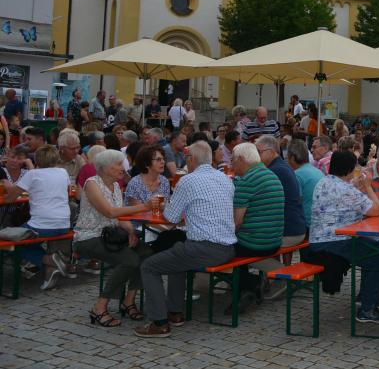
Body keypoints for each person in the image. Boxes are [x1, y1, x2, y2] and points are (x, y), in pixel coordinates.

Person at [135, 142, 235, 337]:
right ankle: (175, 312)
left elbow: (171, 218)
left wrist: (165, 207)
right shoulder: (225, 179)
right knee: (177, 254)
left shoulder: (188, 181)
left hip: (205, 249)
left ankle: (159, 322)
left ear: (191, 160)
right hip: (228, 247)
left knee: (149, 266)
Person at [303, 150, 379, 323]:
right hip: (334, 241)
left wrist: (356, 186)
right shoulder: (344, 189)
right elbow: (376, 210)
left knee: (373, 249)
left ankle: (365, 297)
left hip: (319, 239)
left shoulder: (324, 181)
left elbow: (345, 200)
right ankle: (367, 309)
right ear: (350, 169)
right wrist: (368, 186)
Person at [73, 150, 155, 326]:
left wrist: (131, 232)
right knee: (130, 260)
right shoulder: (92, 184)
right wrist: (144, 206)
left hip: (111, 236)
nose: (123, 168)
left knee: (146, 253)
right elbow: (109, 211)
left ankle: (128, 301)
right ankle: (100, 307)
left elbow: (118, 218)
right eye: (118, 164)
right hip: (89, 236)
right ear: (105, 167)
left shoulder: (116, 186)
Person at [4, 145, 71, 290]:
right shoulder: (62, 172)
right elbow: (65, 193)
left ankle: (48, 260)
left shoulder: (32, 175)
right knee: (29, 238)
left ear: (37, 159)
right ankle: (50, 270)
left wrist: (7, 186)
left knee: (12, 242)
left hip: (42, 225)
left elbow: (10, 198)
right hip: (64, 224)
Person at [230, 142, 285, 311]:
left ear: (241, 159)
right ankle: (249, 286)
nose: (231, 165)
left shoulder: (247, 180)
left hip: (256, 244)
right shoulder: (270, 175)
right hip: (274, 241)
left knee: (222, 247)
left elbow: (236, 223)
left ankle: (249, 286)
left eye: (233, 161)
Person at [256, 135, 306, 248]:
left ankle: (279, 267)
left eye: (259, 152)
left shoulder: (275, 170)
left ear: (271, 151)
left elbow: (260, 203)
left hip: (289, 232)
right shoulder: (283, 166)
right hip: (297, 227)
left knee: (250, 247)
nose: (257, 156)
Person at [286, 139, 323, 229]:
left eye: (287, 156)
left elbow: (294, 204)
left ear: (292, 158)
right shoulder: (318, 171)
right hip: (319, 221)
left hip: (307, 224)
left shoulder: (296, 175)